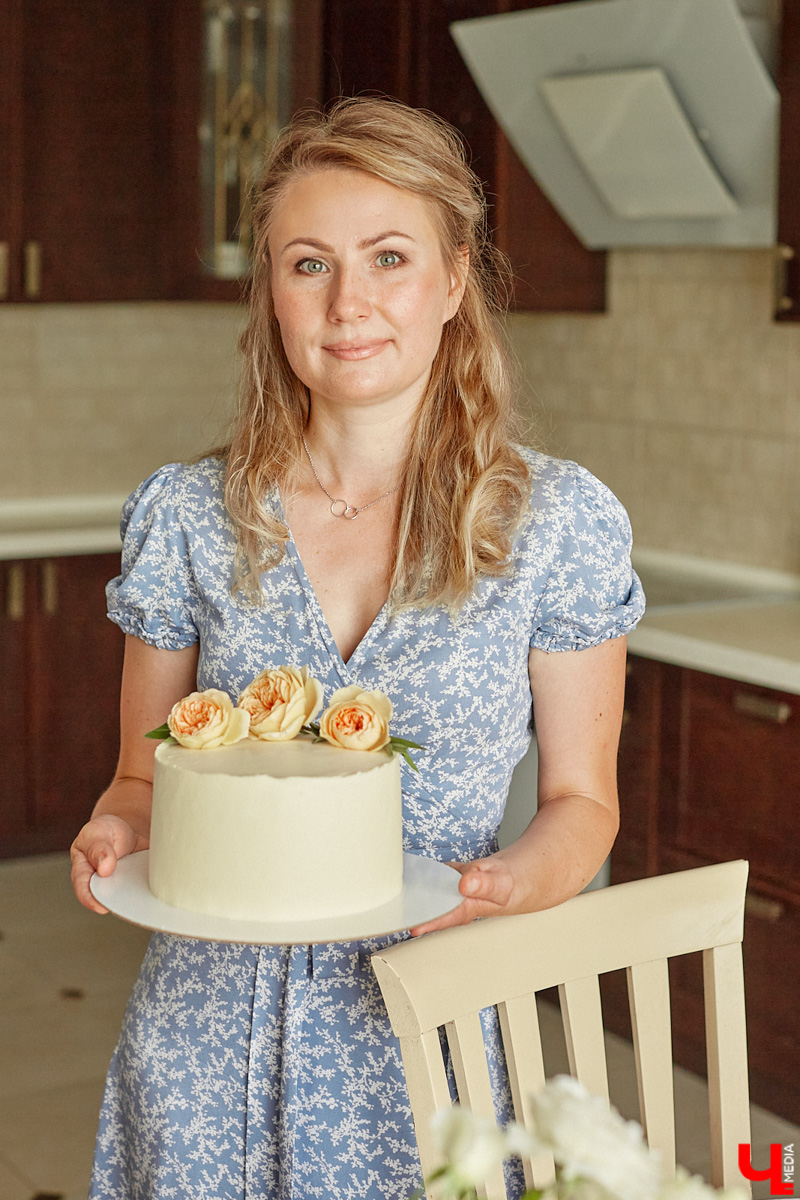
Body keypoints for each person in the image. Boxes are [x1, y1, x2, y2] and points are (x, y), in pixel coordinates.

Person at [71, 96, 645, 1199]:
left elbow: (583, 805)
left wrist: (505, 886)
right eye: (307, 264)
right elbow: (141, 778)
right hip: (198, 1035)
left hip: (419, 1024)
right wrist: (113, 828)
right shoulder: (189, 516)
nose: (349, 305)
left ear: (452, 279)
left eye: (388, 257)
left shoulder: (554, 526)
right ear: (270, 293)